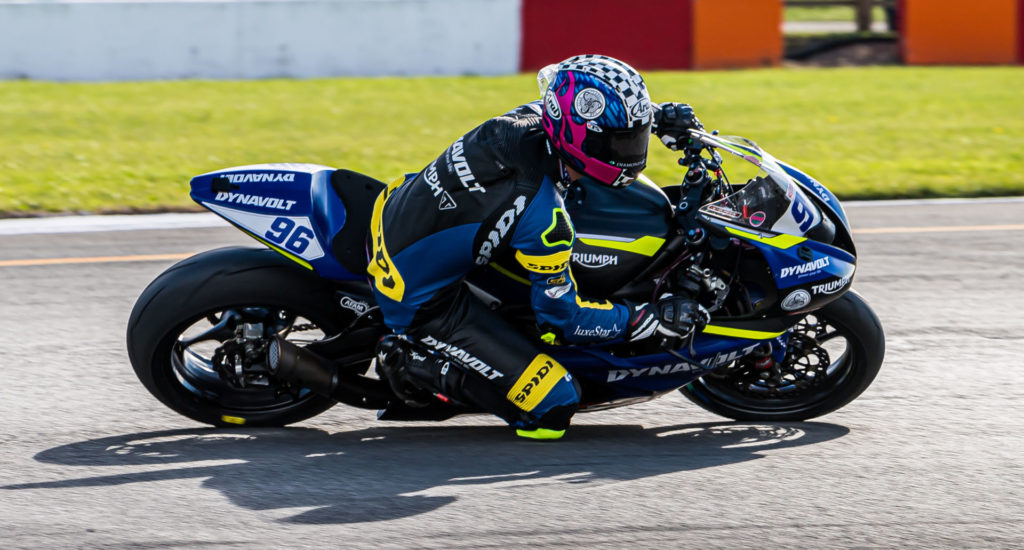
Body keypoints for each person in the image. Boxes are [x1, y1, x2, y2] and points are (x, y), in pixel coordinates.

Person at [368, 54, 708, 440]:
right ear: (582, 139)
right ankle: (415, 364)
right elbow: (562, 318)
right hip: (422, 298)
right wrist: (646, 318)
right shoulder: (544, 217)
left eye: (636, 136)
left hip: (398, 206)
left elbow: (588, 118)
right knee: (554, 408)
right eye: (621, 142)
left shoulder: (532, 120)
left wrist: (661, 117)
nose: (632, 152)